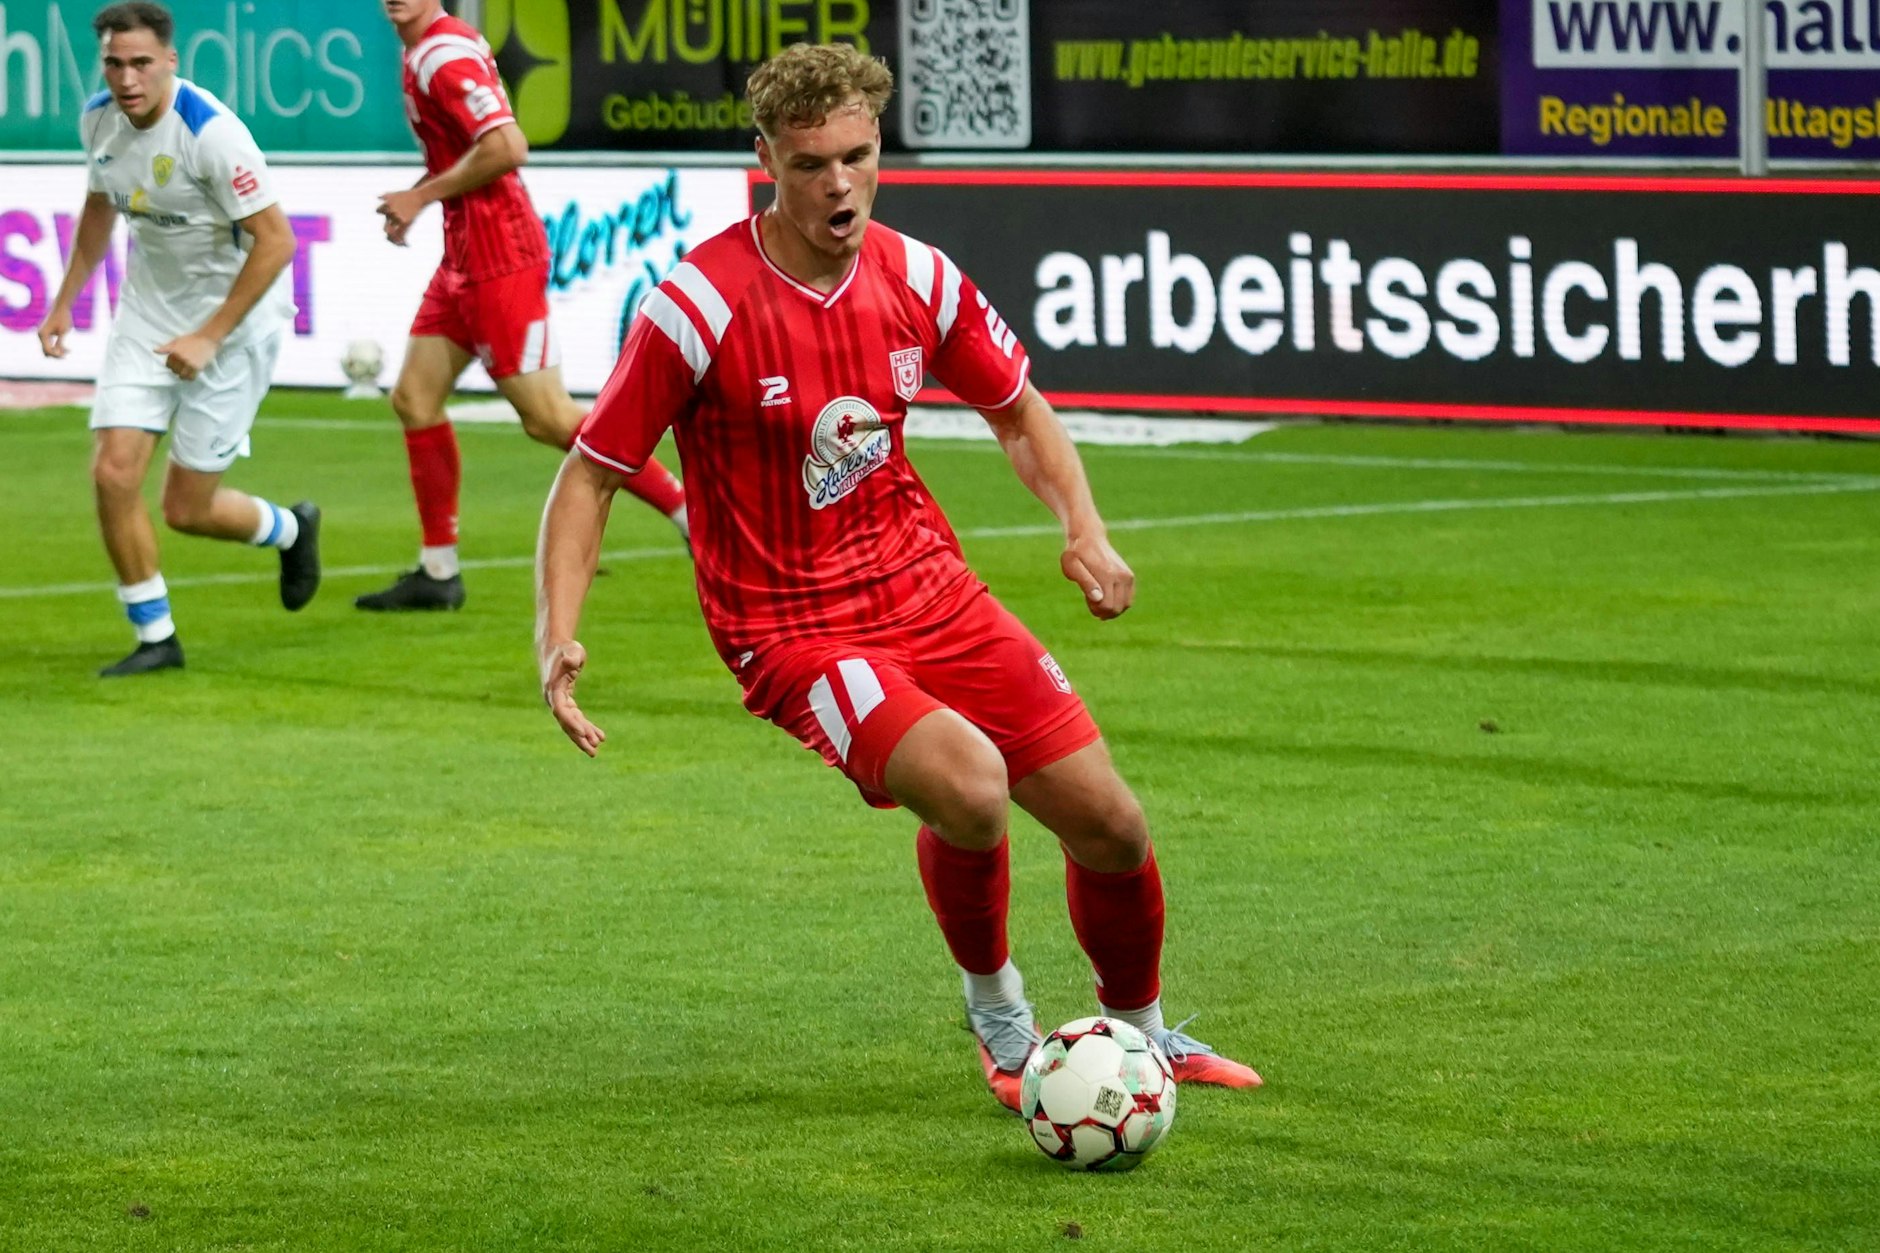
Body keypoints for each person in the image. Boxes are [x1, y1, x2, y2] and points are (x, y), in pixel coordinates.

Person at [534, 44, 1262, 1109]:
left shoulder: (918, 277)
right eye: (810, 164)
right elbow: (589, 477)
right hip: (791, 629)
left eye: (858, 158)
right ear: (765, 163)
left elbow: (1018, 410)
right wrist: (556, 633)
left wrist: (1084, 528)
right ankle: (1002, 1020)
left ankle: (1142, 1036)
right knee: (969, 785)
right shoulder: (696, 306)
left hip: (929, 590)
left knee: (1110, 823)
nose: (839, 186)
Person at [359, 0, 688, 613]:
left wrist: (419, 196)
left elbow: (509, 146)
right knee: (414, 397)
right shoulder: (425, 49)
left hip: (498, 258)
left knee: (548, 418)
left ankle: (689, 514)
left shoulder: (443, 55)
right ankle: (438, 572)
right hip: (464, 256)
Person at [37, 1, 320, 678]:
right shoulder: (97, 118)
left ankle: (290, 528)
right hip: (147, 316)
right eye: (113, 63)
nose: (126, 78)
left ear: (170, 60)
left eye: (140, 63)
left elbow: (278, 241)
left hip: (234, 324)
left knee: (187, 509)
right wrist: (63, 302)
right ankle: (156, 635)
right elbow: (101, 205)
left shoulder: (212, 135)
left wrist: (208, 335)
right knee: (111, 472)